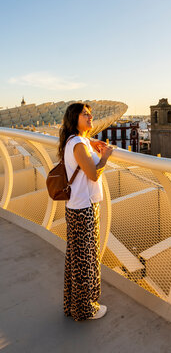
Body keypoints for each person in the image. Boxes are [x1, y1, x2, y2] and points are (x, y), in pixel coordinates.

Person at [58, 102, 113, 321]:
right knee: (85, 260)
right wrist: (106, 155)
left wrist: (91, 141)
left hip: (77, 206)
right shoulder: (79, 143)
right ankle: (85, 309)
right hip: (84, 209)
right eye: (84, 114)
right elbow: (93, 174)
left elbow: (81, 147)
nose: (90, 117)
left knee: (76, 258)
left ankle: (72, 305)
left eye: (90, 114)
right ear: (74, 118)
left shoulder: (74, 140)